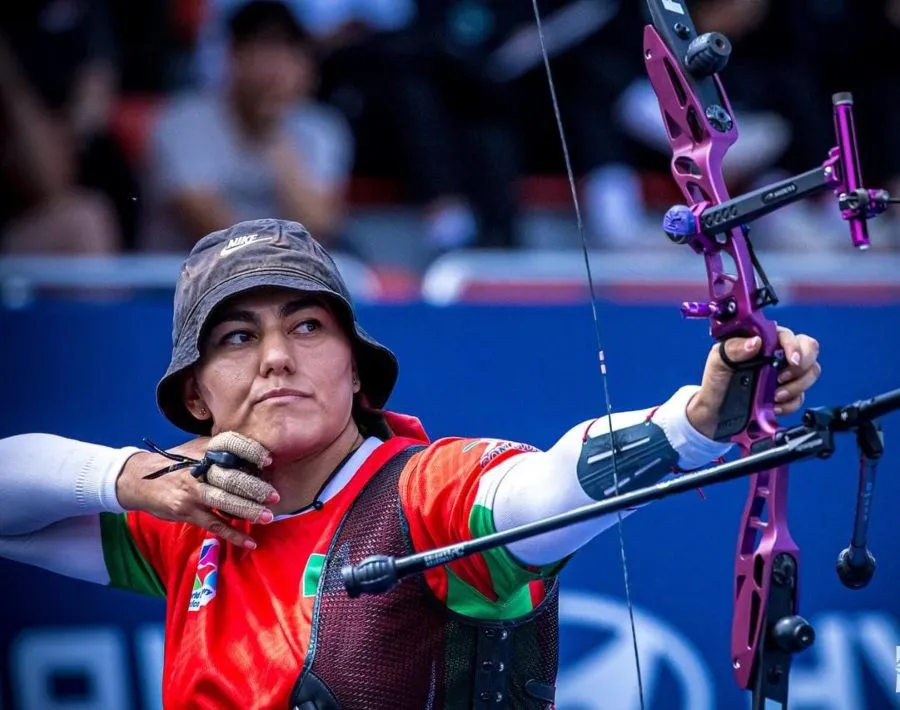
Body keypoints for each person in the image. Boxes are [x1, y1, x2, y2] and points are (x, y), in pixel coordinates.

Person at [0, 218, 822, 709]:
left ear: (357, 371)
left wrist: (697, 421)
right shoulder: (192, 520)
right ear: (197, 399)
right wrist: (133, 478)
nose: (277, 358)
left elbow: (543, 491)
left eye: (309, 328)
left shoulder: (420, 490)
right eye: (238, 337)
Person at [138, 1, 353, 252]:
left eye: (289, 52)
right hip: (190, 279)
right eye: (264, 50)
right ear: (233, 56)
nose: (276, 68)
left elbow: (319, 225)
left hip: (285, 278)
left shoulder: (321, 129)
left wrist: (274, 133)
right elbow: (213, 229)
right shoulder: (182, 122)